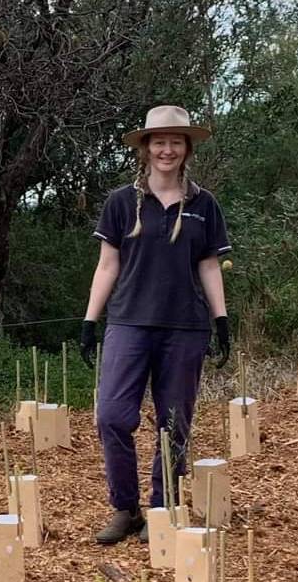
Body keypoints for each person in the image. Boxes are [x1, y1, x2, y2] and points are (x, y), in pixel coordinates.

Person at [80, 105, 232, 545]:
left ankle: (163, 508)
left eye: (176, 142)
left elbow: (209, 265)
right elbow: (108, 265)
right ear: (145, 148)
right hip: (128, 322)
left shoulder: (204, 204)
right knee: (112, 415)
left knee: (174, 420)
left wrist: (221, 319)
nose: (167, 149)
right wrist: (91, 320)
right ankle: (125, 508)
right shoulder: (122, 202)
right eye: (159, 141)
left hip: (185, 327)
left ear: (187, 149)